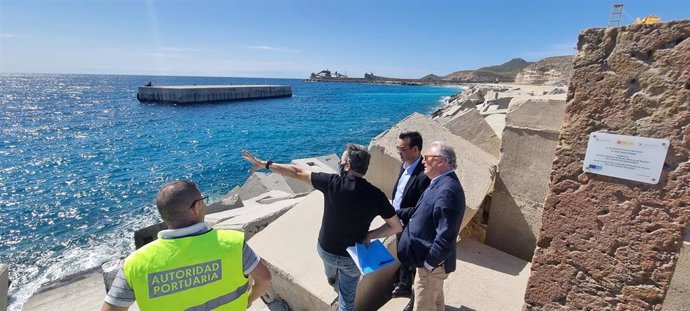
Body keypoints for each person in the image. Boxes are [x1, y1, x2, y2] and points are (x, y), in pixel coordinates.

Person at [242, 144, 403, 311]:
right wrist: (371, 234)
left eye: (342, 161)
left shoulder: (331, 183)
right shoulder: (376, 195)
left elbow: (296, 172)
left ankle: (332, 278)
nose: (340, 164)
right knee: (346, 302)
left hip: (326, 250)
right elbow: (396, 227)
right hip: (352, 258)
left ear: (347, 165)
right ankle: (335, 282)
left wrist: (265, 164)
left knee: (330, 275)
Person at [101, 180, 272, 311]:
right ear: (197, 207)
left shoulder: (134, 263)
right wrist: (248, 300)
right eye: (203, 200)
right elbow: (264, 278)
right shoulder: (232, 242)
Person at [397, 141, 465, 311]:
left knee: (424, 306)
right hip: (432, 266)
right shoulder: (439, 183)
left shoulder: (447, 191)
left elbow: (447, 235)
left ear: (441, 161)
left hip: (431, 267)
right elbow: (421, 211)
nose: (422, 161)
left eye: (427, 157)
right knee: (435, 302)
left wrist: (429, 264)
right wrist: (394, 214)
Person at [391, 132, 430, 309]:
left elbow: (421, 209)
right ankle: (404, 285)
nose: (399, 152)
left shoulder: (424, 175)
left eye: (402, 148)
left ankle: (414, 299)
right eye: (398, 148)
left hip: (413, 227)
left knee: (415, 264)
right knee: (403, 256)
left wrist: (398, 213)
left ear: (415, 149)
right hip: (399, 222)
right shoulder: (404, 164)